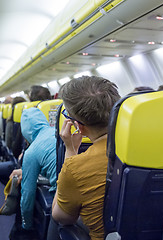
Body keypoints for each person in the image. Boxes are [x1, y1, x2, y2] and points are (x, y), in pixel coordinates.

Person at [49, 76, 121, 240]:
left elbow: (61, 217)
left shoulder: (76, 167)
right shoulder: (147, 147)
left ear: (78, 125)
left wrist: (70, 151)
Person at [9, 108, 57, 239]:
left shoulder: (32, 151)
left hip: (63, 202)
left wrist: (26, 225)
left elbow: (27, 194)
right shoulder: (55, 132)